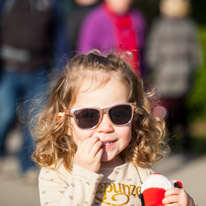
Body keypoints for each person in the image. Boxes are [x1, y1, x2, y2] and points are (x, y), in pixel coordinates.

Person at [32, 50, 197, 205]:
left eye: (118, 113)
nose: (106, 127)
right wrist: (84, 174)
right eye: (88, 116)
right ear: (65, 123)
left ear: (134, 115)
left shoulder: (140, 171)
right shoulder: (57, 173)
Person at [0, 0, 68, 177]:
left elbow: (59, 37)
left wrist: (61, 68)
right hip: (9, 68)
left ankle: (27, 166)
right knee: (5, 115)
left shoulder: (51, 5)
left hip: (39, 70)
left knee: (35, 121)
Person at [146, 0, 201, 150]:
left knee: (168, 108)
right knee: (182, 109)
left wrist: (151, 69)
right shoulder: (189, 26)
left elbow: (153, 54)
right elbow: (196, 55)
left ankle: (171, 141)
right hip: (184, 74)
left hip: (165, 73)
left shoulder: (160, 26)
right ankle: (186, 139)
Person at [77, 0, 147, 76]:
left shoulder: (137, 18)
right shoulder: (96, 19)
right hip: (105, 77)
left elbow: (142, 54)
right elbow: (84, 53)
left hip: (134, 76)